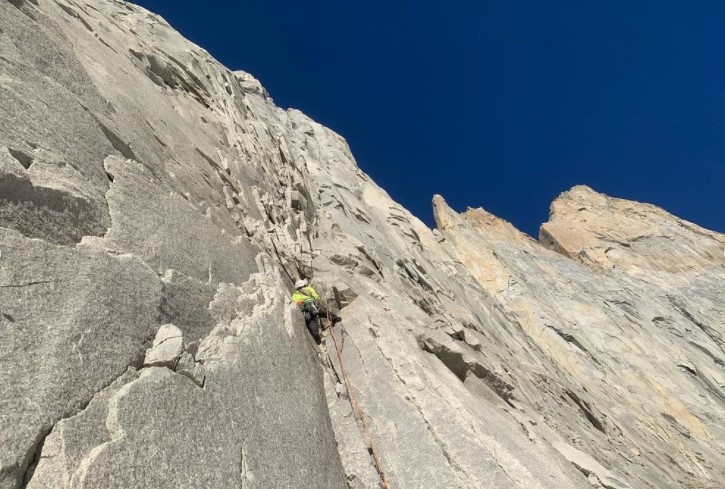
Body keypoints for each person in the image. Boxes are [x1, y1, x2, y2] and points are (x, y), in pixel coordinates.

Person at [292, 278, 341, 344]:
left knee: (311, 321)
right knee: (323, 312)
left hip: (305, 309)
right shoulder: (309, 289)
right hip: (312, 305)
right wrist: (317, 301)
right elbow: (315, 296)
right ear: (303, 284)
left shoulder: (294, 295)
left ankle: (316, 337)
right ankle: (334, 318)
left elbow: (295, 303)